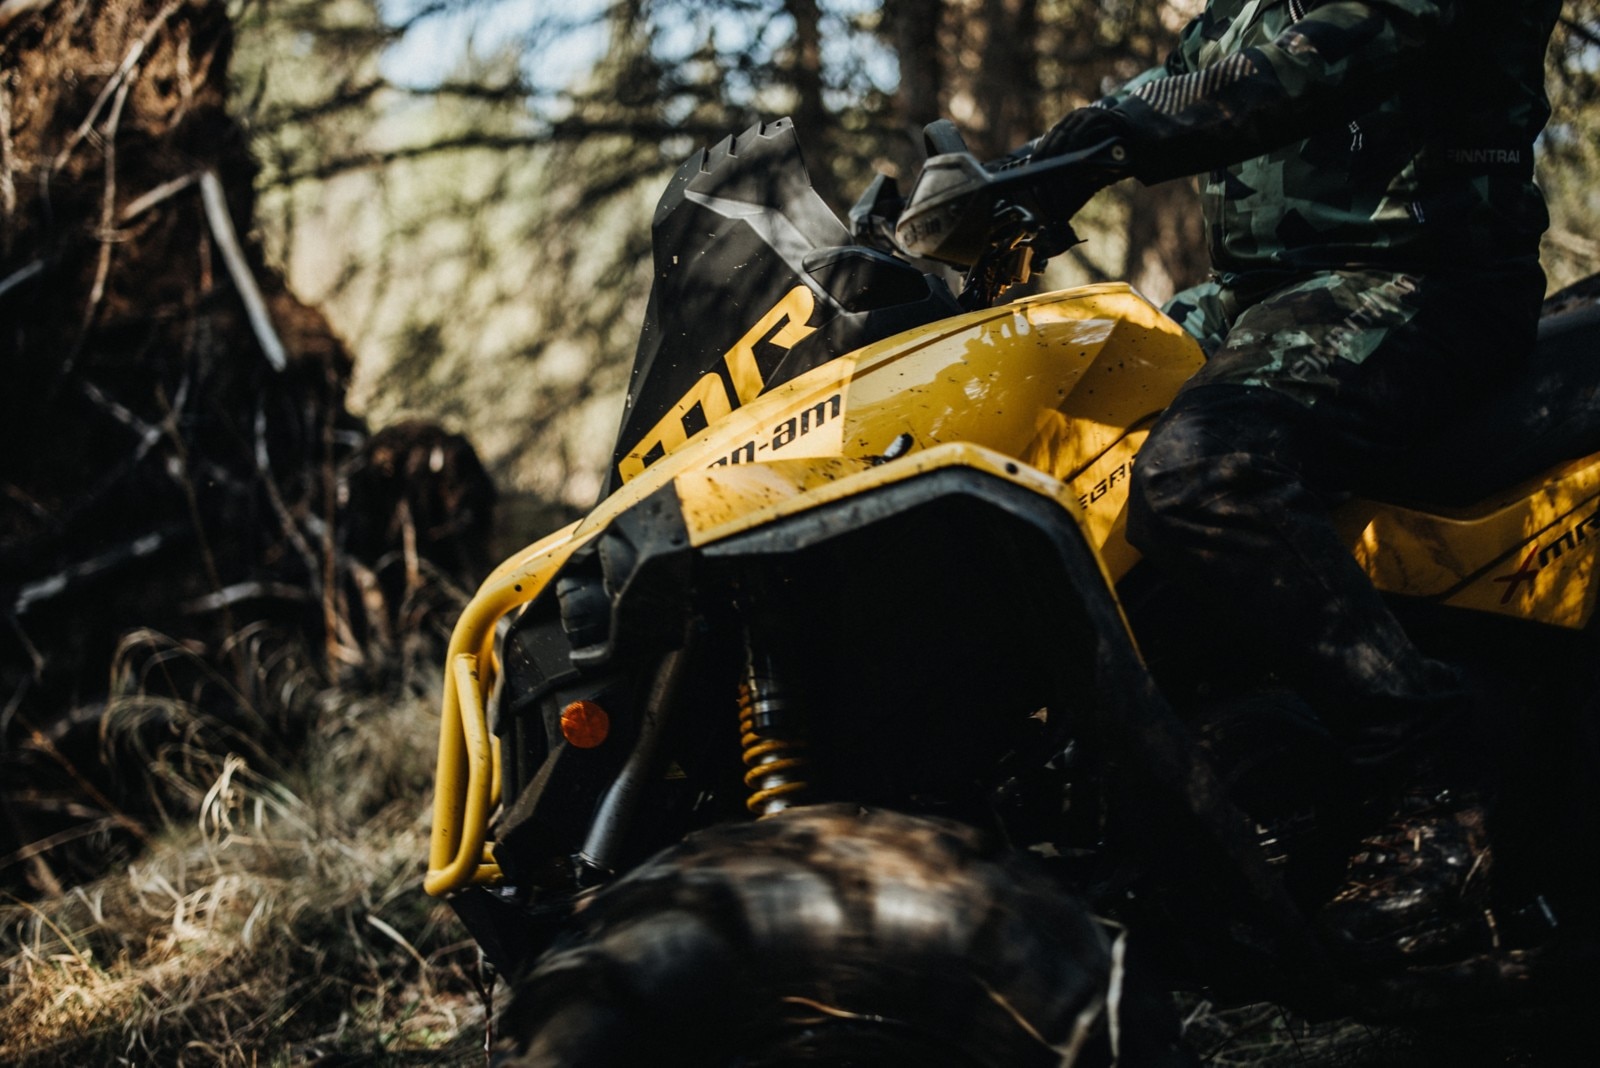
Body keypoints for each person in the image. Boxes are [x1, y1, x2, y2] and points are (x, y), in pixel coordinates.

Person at [1029, 0, 1562, 780]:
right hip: (1256, 295)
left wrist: (1110, 136)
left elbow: (1307, 63)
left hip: (1423, 276)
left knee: (1205, 478)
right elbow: (1176, 83)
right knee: (1066, 421)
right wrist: (1015, 176)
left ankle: (1435, 765)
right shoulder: (1242, 12)